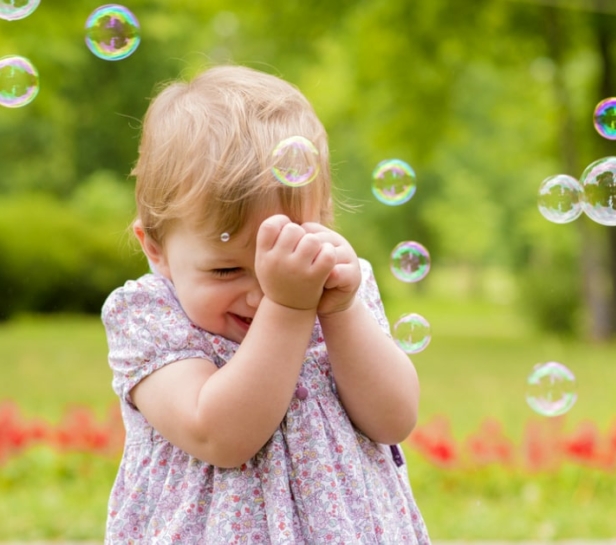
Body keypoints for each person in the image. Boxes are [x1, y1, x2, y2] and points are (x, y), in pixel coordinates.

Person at [101, 65, 430, 543]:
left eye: (281, 254)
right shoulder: (147, 315)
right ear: (155, 247)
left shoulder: (335, 289)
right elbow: (221, 437)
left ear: (320, 221)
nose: (262, 292)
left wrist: (340, 310)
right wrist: (290, 307)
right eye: (226, 270)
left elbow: (394, 419)